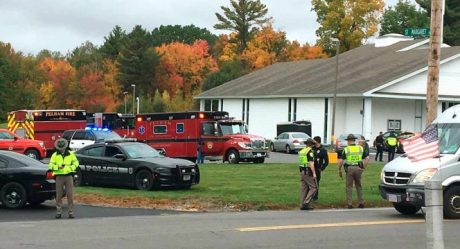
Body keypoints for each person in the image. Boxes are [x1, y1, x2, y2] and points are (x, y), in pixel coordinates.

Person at [48, 138, 79, 219]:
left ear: (65, 147)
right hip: (59, 176)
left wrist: (71, 168)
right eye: (60, 148)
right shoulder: (55, 155)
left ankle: (71, 212)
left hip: (69, 176)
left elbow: (76, 163)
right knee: (59, 195)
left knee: (70, 194)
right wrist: (57, 166)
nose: (61, 149)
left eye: (62, 148)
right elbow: (50, 166)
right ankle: (59, 212)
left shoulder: (70, 154)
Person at [337, 134, 369, 209]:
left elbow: (341, 161)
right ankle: (360, 203)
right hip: (358, 168)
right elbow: (367, 158)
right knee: (359, 186)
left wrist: (339, 170)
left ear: (348, 141)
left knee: (349, 186)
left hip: (349, 168)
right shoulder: (360, 148)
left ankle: (350, 204)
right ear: (354, 140)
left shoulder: (346, 149)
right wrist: (363, 167)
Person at [298, 138, 317, 210]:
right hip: (307, 172)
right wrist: (314, 173)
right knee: (314, 188)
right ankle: (306, 203)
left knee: (304, 189)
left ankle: (302, 204)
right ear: (312, 144)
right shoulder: (310, 152)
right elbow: (311, 163)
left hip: (302, 171)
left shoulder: (302, 151)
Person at [312, 136, 329, 201]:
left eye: (313, 140)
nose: (312, 142)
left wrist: (322, 168)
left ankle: (315, 197)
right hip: (310, 168)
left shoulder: (323, 150)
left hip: (317, 169)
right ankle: (309, 196)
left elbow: (327, 161)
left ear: (317, 141)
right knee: (310, 183)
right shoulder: (312, 149)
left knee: (316, 183)